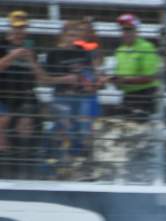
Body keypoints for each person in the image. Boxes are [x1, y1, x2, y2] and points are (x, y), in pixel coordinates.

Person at [42, 21, 97, 168]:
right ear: (63, 35)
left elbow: (90, 75)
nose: (73, 37)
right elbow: (45, 79)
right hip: (61, 98)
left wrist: (87, 81)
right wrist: (65, 79)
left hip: (81, 97)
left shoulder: (84, 52)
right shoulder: (53, 54)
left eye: (76, 35)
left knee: (85, 129)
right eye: (70, 34)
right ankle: (59, 162)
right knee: (66, 127)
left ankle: (78, 163)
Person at [0, 11, 47, 177]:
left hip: (26, 97)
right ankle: (7, 172)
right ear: (10, 28)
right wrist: (12, 56)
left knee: (26, 122)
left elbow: (42, 79)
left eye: (22, 28)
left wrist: (31, 61)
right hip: (4, 96)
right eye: (16, 28)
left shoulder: (31, 48)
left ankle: (27, 171)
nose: (19, 31)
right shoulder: (2, 45)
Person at [112, 14, 160, 120]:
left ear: (136, 31)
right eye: (123, 30)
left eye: (129, 29)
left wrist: (124, 80)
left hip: (145, 95)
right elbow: (119, 77)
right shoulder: (120, 50)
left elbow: (149, 77)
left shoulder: (146, 47)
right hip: (128, 95)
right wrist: (115, 81)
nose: (126, 33)